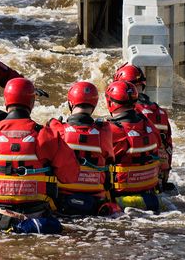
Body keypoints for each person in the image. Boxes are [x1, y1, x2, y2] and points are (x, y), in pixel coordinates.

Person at [0, 78, 79, 233]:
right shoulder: (47, 136)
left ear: (6, 102)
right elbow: (70, 175)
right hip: (38, 221)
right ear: (32, 103)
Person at [48, 81, 116, 216]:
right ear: (94, 105)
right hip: (95, 202)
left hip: (61, 202)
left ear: (71, 103)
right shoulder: (104, 131)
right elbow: (110, 158)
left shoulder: (57, 127)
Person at [113, 63, 174, 192]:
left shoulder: (130, 113)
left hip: (134, 181)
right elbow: (168, 146)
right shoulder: (161, 112)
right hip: (157, 178)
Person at [105, 80, 163, 212]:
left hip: (119, 198)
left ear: (110, 103)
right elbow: (159, 146)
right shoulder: (149, 126)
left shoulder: (110, 130)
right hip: (150, 197)